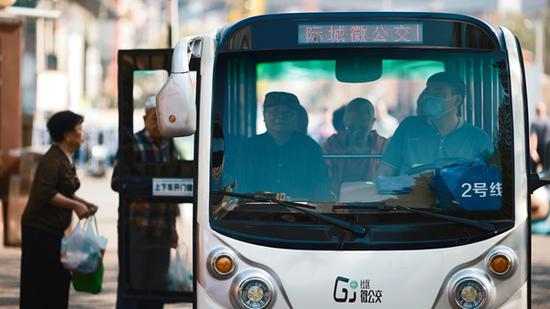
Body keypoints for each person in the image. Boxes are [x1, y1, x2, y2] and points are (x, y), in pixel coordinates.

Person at [20, 111, 98, 309]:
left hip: (55, 231)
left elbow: (64, 191)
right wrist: (75, 205)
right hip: (40, 231)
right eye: (79, 130)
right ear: (67, 135)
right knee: (41, 287)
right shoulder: (52, 159)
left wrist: (83, 203)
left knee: (58, 284)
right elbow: (46, 193)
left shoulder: (65, 158)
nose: (83, 134)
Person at [111, 96, 180, 309]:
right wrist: (146, 186)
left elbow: (176, 184)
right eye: (154, 118)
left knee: (158, 285)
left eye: (163, 118)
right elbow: (117, 182)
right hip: (137, 227)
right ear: (144, 118)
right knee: (133, 283)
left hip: (162, 227)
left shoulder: (170, 145)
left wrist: (173, 229)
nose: (159, 123)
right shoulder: (133, 144)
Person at [378, 72, 493, 176]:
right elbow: (386, 170)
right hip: (410, 198)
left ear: (457, 100)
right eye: (428, 93)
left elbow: (489, 180)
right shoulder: (409, 127)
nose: (429, 98)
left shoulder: (478, 138)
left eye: (438, 93)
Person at [236, 91, 330, 200]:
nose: (280, 116)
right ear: (264, 115)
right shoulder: (249, 147)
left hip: (302, 213)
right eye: (274, 112)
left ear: (296, 118)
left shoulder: (310, 148)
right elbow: (243, 189)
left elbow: (320, 190)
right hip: (255, 212)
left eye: (287, 113)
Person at [323, 98, 387, 196]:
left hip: (375, 206)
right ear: (345, 121)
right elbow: (323, 181)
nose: (356, 132)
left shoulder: (383, 146)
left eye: (362, 128)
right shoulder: (333, 145)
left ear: (372, 122)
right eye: (351, 127)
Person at [530, 103, 550, 172]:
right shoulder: (548, 121)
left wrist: (533, 150)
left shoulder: (534, 122)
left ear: (536, 111)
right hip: (547, 150)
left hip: (538, 150)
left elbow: (533, 136)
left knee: (534, 173)